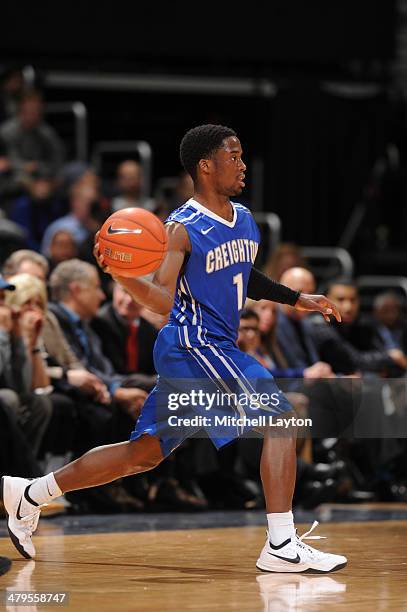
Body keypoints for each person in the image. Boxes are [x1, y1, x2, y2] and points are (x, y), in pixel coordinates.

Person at [1, 124, 346, 572]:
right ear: (206, 166)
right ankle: (281, 545)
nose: (243, 165)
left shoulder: (243, 219)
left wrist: (298, 299)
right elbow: (162, 299)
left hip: (208, 348)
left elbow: (246, 275)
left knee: (141, 454)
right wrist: (124, 276)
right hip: (195, 343)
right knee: (280, 419)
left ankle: (30, 493)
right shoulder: (180, 228)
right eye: (234, 156)